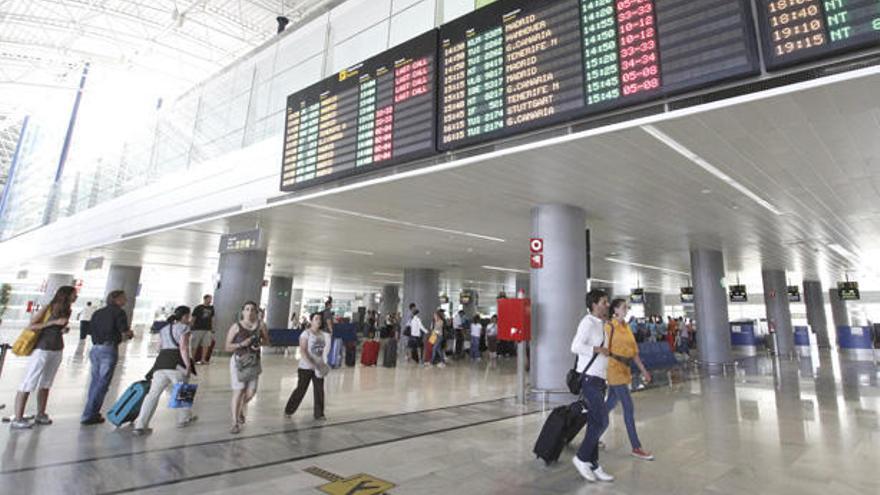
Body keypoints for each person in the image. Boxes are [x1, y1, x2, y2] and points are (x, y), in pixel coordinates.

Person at [10, 286, 76, 429]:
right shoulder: (48, 308)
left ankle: (41, 413)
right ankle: (18, 417)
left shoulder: (67, 311)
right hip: (42, 349)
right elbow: (31, 326)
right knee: (29, 382)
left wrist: (62, 329)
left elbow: (57, 329)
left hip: (57, 348)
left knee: (46, 383)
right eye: (74, 294)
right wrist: (53, 322)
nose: (75, 297)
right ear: (65, 295)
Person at [133, 306, 198, 436]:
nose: (189, 318)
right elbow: (184, 348)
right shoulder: (184, 328)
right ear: (184, 316)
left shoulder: (163, 329)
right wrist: (188, 366)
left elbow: (159, 348)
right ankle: (183, 419)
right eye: (188, 316)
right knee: (182, 391)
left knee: (152, 395)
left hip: (161, 363)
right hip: (177, 363)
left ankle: (140, 425)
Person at [571, 289, 614, 483]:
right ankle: (581, 458)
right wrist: (596, 349)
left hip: (600, 379)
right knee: (602, 420)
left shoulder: (602, 324)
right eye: (604, 302)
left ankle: (593, 463)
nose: (607, 304)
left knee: (594, 422)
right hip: (589, 379)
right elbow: (575, 346)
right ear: (594, 304)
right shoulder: (587, 322)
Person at [604, 298, 654, 460]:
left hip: (625, 371)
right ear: (615, 310)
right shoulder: (609, 327)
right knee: (628, 407)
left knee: (608, 406)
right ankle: (636, 447)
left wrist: (644, 371)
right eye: (624, 307)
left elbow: (634, 354)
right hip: (613, 370)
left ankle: (593, 433)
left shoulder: (627, 328)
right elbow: (603, 350)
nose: (627, 309)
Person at [81, 290, 133, 425]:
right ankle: (89, 414)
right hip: (108, 349)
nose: (126, 300)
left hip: (95, 349)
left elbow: (90, 330)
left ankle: (90, 412)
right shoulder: (119, 312)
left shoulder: (97, 312)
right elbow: (124, 331)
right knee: (102, 384)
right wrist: (129, 333)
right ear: (116, 300)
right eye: (123, 298)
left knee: (95, 382)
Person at [226, 301, 269, 434]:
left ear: (256, 312)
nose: (250, 312)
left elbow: (267, 341)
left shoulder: (261, 325)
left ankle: (240, 409)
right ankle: (235, 422)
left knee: (251, 392)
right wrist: (241, 344)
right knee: (238, 391)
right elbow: (227, 347)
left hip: (254, 362)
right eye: (247, 309)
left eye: (252, 310)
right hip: (239, 362)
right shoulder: (236, 327)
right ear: (243, 312)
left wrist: (259, 342)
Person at [285, 312, 328, 421]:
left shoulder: (322, 335)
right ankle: (289, 410)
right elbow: (303, 350)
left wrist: (322, 364)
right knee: (301, 389)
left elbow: (322, 352)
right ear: (311, 321)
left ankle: (319, 414)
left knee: (319, 390)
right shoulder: (306, 334)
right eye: (316, 318)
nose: (318, 321)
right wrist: (310, 364)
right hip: (305, 367)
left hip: (319, 366)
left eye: (320, 319)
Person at [190, 295, 215, 364]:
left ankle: (203, 359)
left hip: (207, 329)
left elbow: (212, 319)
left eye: (211, 299)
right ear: (205, 299)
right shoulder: (198, 308)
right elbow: (193, 318)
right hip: (197, 329)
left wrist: (212, 328)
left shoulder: (212, 308)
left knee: (206, 345)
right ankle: (192, 359)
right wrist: (191, 328)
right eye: (209, 299)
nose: (210, 300)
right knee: (195, 345)